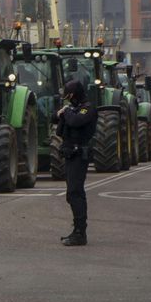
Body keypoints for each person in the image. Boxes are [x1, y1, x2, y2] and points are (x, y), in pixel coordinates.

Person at [56, 79, 97, 246]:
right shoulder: (73, 109)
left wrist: (66, 112)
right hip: (70, 155)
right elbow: (57, 119)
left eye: (70, 97)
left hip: (79, 154)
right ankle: (77, 229)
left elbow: (75, 121)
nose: (68, 101)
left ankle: (80, 232)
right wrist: (62, 113)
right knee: (72, 194)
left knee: (75, 192)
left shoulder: (88, 108)